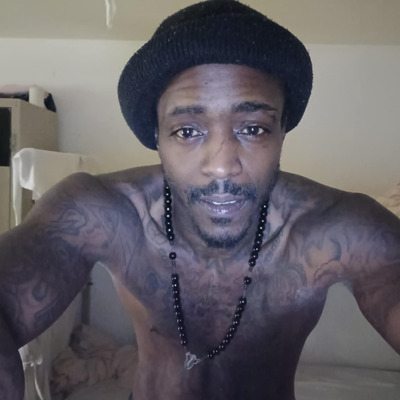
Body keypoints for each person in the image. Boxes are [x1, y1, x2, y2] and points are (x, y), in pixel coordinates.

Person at [1, 1, 399, 399]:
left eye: (253, 129)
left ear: (282, 132)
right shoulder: (102, 211)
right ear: (157, 138)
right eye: (187, 131)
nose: (222, 166)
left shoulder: (335, 228)